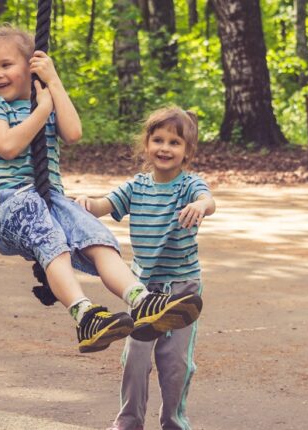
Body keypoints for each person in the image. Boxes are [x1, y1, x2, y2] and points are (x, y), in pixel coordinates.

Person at [0, 26, 203, 354]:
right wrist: (41, 110)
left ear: (31, 65)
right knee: (52, 240)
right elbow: (7, 146)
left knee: (96, 236)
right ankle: (84, 314)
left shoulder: (45, 98)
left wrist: (53, 83)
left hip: (48, 199)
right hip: (7, 203)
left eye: (6, 65)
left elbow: (74, 132)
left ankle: (142, 301)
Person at [75, 107, 215, 429]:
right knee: (135, 360)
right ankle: (129, 422)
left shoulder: (189, 185)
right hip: (143, 290)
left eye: (175, 142)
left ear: (187, 151)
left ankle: (174, 422)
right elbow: (102, 206)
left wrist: (200, 206)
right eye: (158, 140)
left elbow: (209, 201)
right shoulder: (136, 187)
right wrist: (85, 203)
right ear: (147, 144)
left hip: (182, 290)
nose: (165, 148)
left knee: (175, 364)